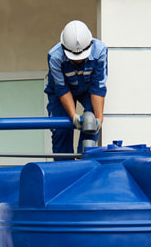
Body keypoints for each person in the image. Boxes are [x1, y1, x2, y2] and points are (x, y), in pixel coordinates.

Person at [45, 20, 108, 158]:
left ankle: (84, 162)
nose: (78, 60)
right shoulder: (54, 56)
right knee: (61, 129)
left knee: (91, 124)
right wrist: (73, 115)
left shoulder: (100, 50)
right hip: (60, 92)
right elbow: (61, 88)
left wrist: (98, 118)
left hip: (89, 90)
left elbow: (98, 86)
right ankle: (64, 169)